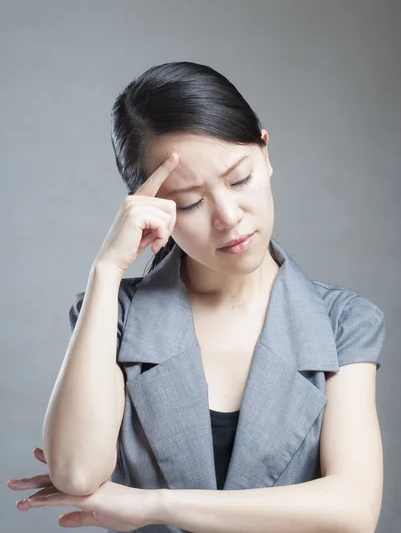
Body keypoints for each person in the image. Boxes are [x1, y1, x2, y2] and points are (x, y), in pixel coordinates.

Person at [9, 62, 386, 533]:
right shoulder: (116, 315)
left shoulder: (342, 321)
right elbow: (77, 474)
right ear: (149, 207)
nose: (229, 216)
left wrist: (155, 505)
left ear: (265, 152)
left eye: (240, 179)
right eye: (190, 202)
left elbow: (352, 510)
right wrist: (106, 270)